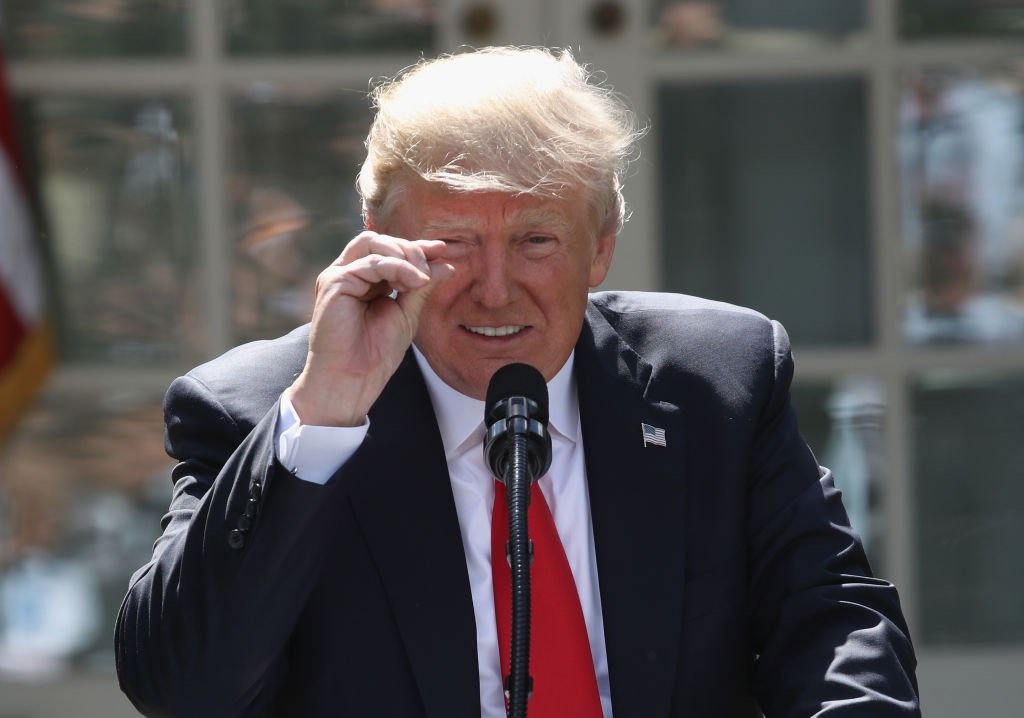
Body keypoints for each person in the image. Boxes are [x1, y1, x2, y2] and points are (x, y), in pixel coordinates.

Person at [115, 46, 921, 717]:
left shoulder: (720, 379)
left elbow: (832, 622)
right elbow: (183, 690)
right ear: (379, 244)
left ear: (600, 249)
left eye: (537, 240)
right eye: (453, 243)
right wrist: (324, 414)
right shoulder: (258, 410)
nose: (494, 289)